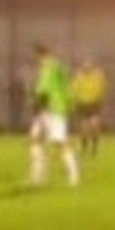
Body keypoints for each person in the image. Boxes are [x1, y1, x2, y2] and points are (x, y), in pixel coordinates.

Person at [29, 42, 80, 187]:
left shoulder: (49, 67)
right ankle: (38, 176)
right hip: (57, 108)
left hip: (53, 109)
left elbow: (45, 90)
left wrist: (37, 106)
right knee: (35, 138)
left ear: (40, 55)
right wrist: (70, 103)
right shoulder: (58, 66)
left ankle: (74, 176)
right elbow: (66, 87)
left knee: (59, 142)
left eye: (37, 57)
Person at [70, 55, 107, 157]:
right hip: (82, 104)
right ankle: (84, 148)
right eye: (85, 65)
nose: (87, 67)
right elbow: (74, 90)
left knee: (95, 126)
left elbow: (103, 87)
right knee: (84, 128)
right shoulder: (78, 76)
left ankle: (94, 148)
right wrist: (73, 103)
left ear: (92, 66)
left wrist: (100, 97)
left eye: (89, 64)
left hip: (94, 103)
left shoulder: (98, 75)